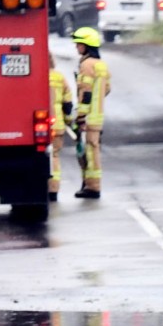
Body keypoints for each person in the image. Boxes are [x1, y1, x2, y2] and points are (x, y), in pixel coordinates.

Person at [71, 26, 111, 199]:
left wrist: (80, 116)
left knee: (89, 152)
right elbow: (107, 89)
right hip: (98, 115)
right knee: (93, 149)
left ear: (87, 45)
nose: (76, 47)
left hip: (88, 118)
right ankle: (91, 185)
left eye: (79, 44)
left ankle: (92, 187)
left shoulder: (86, 65)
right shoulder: (101, 65)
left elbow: (85, 93)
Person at [48, 63, 74, 200]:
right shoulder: (59, 77)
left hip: (36, 123)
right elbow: (68, 103)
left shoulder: (35, 75)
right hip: (57, 123)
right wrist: (69, 120)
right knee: (54, 156)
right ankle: (53, 189)